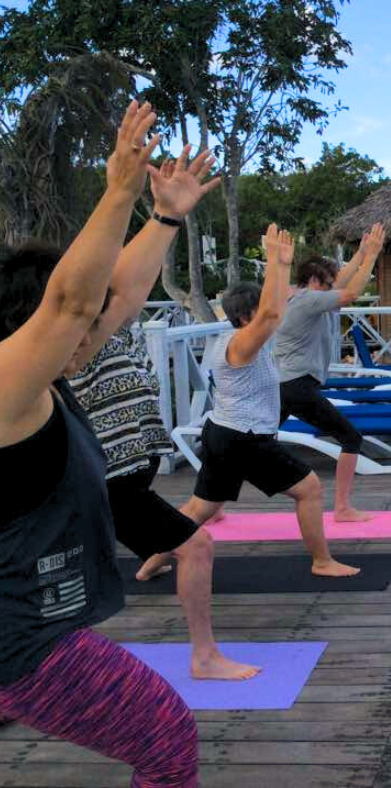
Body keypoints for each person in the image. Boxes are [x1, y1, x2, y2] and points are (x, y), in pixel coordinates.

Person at [0, 100, 199, 786]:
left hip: (31, 624)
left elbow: (116, 297)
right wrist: (118, 190)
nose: (97, 331)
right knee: (167, 740)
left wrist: (164, 217)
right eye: (81, 326)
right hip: (21, 640)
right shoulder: (6, 388)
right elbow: (74, 304)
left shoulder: (53, 377)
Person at [65, 147, 259, 681]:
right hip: (103, 478)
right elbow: (112, 282)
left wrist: (165, 217)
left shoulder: (112, 322)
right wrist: (141, 205)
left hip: (123, 474)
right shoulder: (74, 336)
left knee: (78, 573)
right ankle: (204, 656)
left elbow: (129, 279)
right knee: (196, 545)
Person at [141, 224, 360, 579]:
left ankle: (152, 561)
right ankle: (322, 561)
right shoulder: (242, 343)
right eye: (259, 311)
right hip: (243, 438)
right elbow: (272, 314)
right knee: (309, 489)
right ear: (246, 317)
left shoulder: (237, 339)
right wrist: (276, 262)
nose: (271, 315)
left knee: (200, 508)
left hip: (225, 433)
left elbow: (278, 307)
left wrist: (281, 267)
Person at [273, 224, 386, 522]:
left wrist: (360, 253)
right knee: (350, 437)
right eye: (327, 283)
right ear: (313, 281)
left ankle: (212, 505)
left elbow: (340, 284)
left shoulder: (305, 298)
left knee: (253, 444)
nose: (331, 289)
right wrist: (371, 257)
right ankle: (343, 508)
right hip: (297, 386)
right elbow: (350, 293)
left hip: (285, 385)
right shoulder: (308, 300)